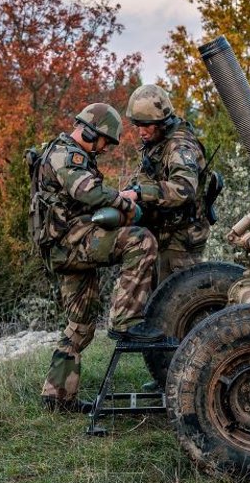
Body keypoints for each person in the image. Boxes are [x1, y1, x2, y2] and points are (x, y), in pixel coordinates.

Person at [32, 103, 172, 413]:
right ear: (89, 132)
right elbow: (89, 193)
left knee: (81, 325)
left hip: (66, 245)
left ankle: (57, 399)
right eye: (104, 142)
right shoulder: (65, 155)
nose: (105, 149)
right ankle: (126, 320)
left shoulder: (62, 151)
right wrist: (124, 202)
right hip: (70, 242)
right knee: (140, 240)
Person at [120, 84, 212, 284]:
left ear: (162, 122)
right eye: (138, 125)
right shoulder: (157, 143)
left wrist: (140, 192)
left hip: (179, 242)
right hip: (161, 235)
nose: (141, 132)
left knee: (176, 305)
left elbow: (184, 189)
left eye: (146, 125)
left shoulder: (179, 146)